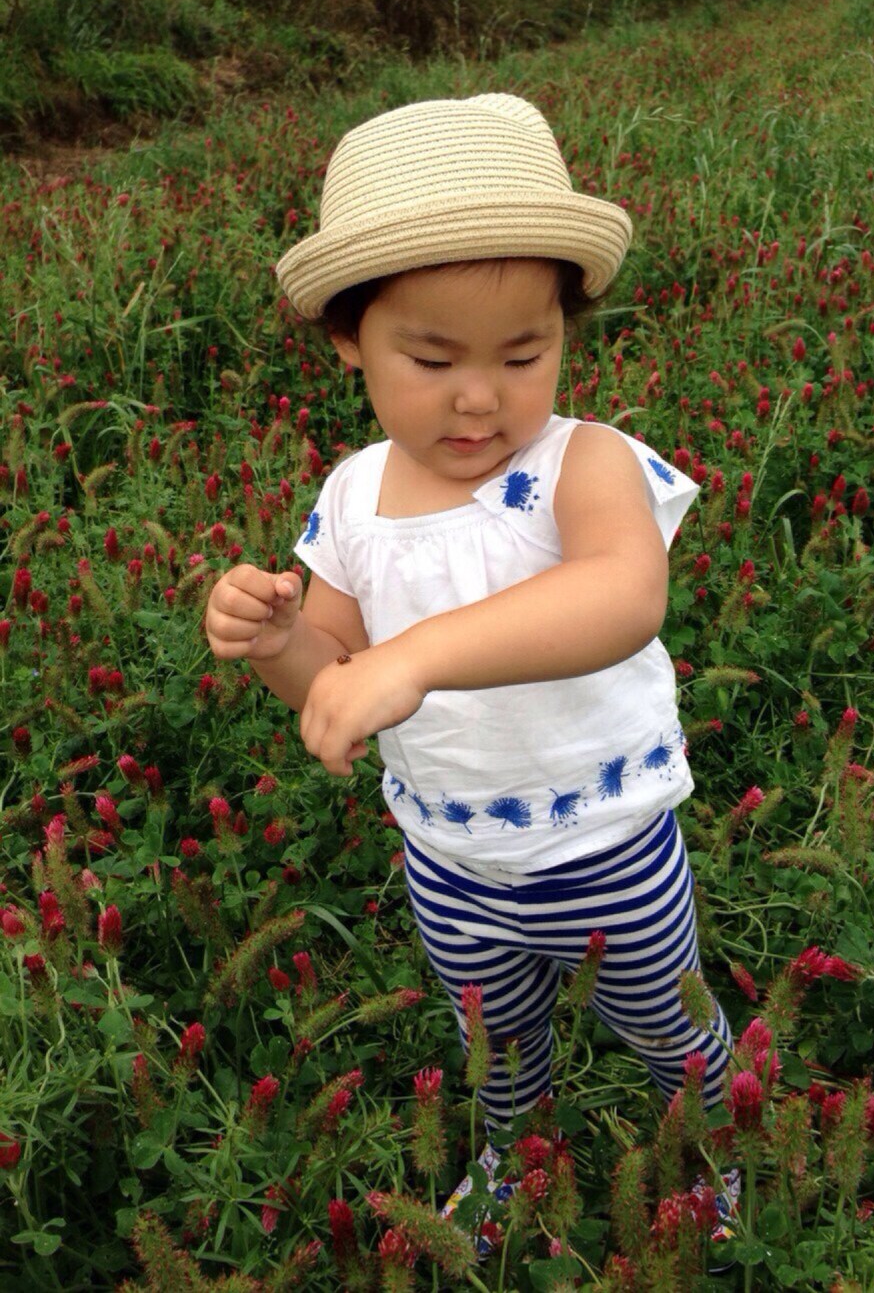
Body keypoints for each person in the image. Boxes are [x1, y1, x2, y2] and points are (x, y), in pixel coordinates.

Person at [204, 93, 738, 1238]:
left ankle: (713, 1156)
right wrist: (282, 644)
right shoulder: (351, 497)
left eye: (524, 353)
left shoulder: (584, 463)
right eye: (432, 356)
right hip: (449, 855)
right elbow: (338, 678)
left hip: (607, 846)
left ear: (564, 334)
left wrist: (417, 656)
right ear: (349, 339)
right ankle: (512, 1163)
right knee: (495, 1044)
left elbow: (622, 595)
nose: (481, 395)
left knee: (669, 1026)